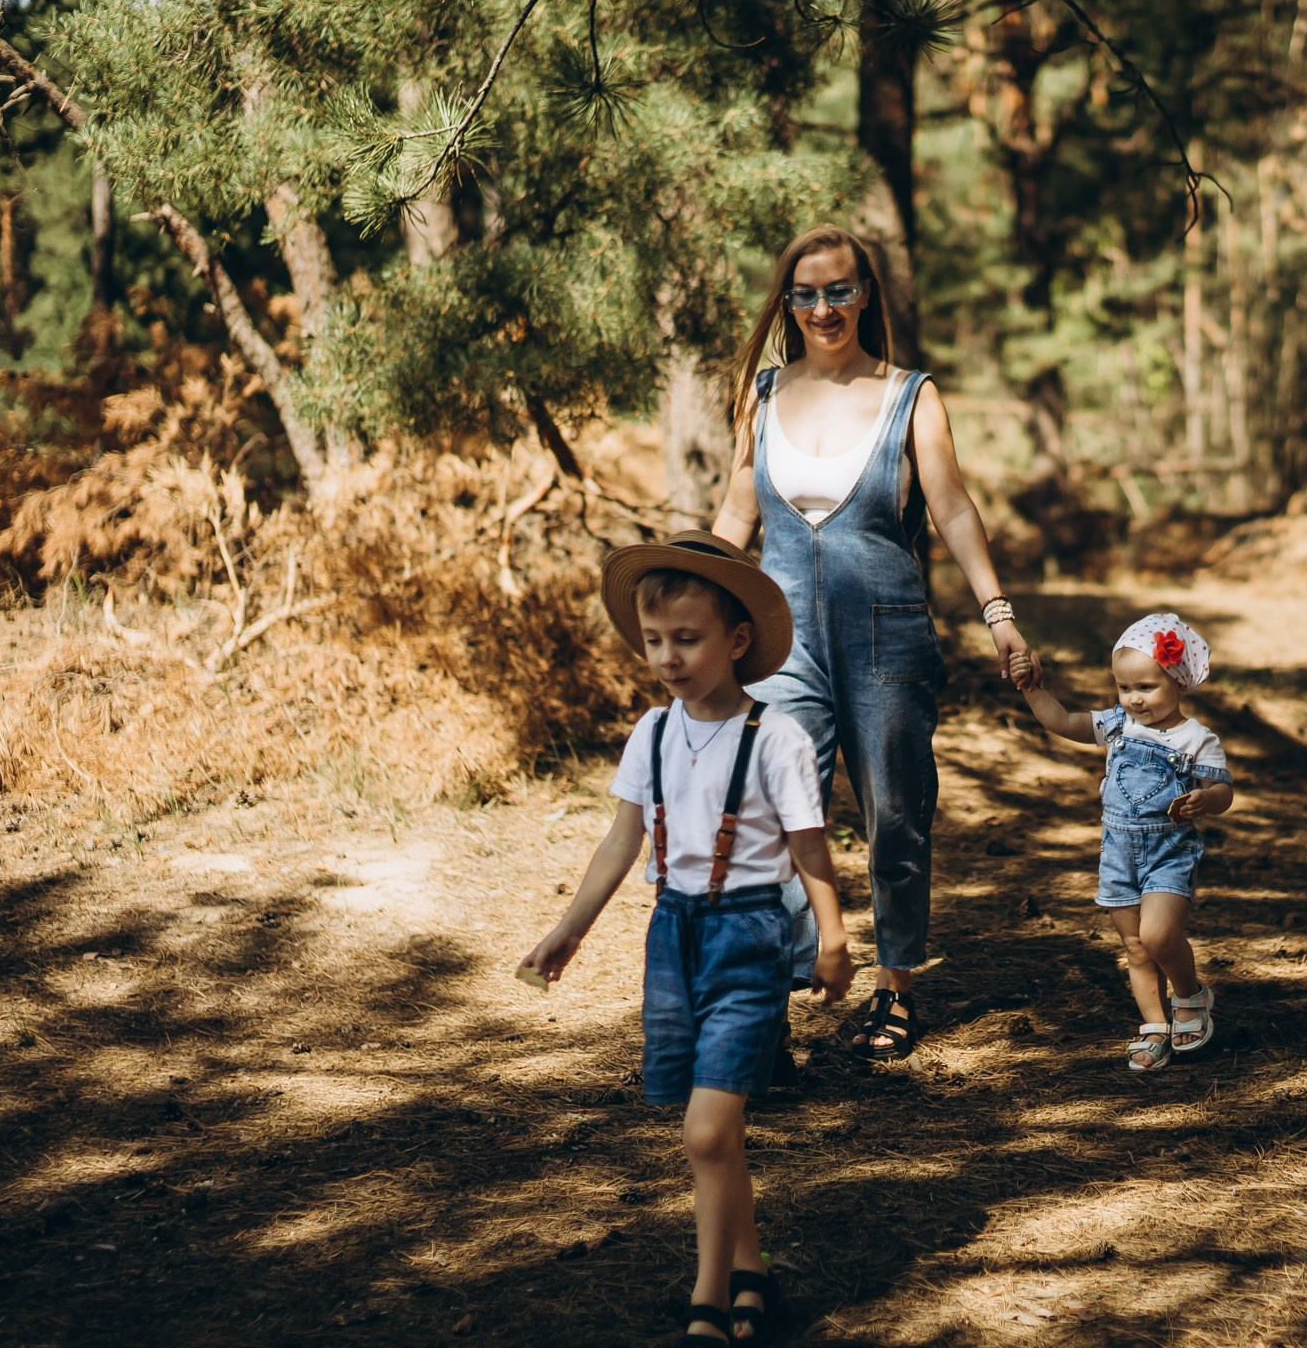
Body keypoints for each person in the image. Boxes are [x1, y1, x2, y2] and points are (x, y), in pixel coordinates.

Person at [520, 532, 855, 1345]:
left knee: (706, 1131)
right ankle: (752, 1276)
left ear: (737, 641)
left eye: (689, 639)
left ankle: (706, 1296)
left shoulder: (775, 738)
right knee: (718, 1135)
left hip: (748, 936)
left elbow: (809, 846)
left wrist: (835, 938)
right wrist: (570, 930)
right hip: (671, 937)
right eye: (655, 640)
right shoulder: (653, 733)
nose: (668, 657)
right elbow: (620, 840)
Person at [712, 224, 1037, 1061]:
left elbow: (956, 509)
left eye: (841, 290)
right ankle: (772, 997)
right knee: (776, 811)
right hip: (781, 640)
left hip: (888, 636)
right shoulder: (765, 391)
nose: (825, 308)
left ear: (866, 295)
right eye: (807, 293)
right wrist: (697, 608)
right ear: (788, 302)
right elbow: (736, 516)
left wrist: (997, 613)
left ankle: (895, 990)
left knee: (896, 813)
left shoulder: (910, 395)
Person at [1009, 614, 1234, 1074]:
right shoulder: (1116, 726)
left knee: (1158, 935)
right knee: (1134, 946)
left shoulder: (1196, 739)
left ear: (1178, 682)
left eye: (1147, 687)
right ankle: (1153, 1026)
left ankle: (1189, 996)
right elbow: (1063, 720)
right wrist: (1032, 689)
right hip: (1118, 855)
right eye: (1124, 687)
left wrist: (1205, 799)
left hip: (1169, 853)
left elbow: (1224, 793)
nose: (1134, 698)